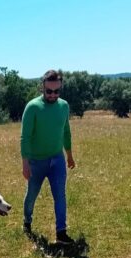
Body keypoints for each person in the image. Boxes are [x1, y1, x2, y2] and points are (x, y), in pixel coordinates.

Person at [20, 69, 75, 244]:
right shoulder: (33, 107)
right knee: (32, 195)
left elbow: (66, 131)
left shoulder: (64, 106)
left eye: (56, 91)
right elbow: (25, 137)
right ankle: (27, 221)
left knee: (60, 195)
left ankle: (61, 233)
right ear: (42, 88)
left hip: (57, 159)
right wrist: (25, 163)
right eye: (49, 91)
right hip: (36, 162)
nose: (53, 95)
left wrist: (69, 155)